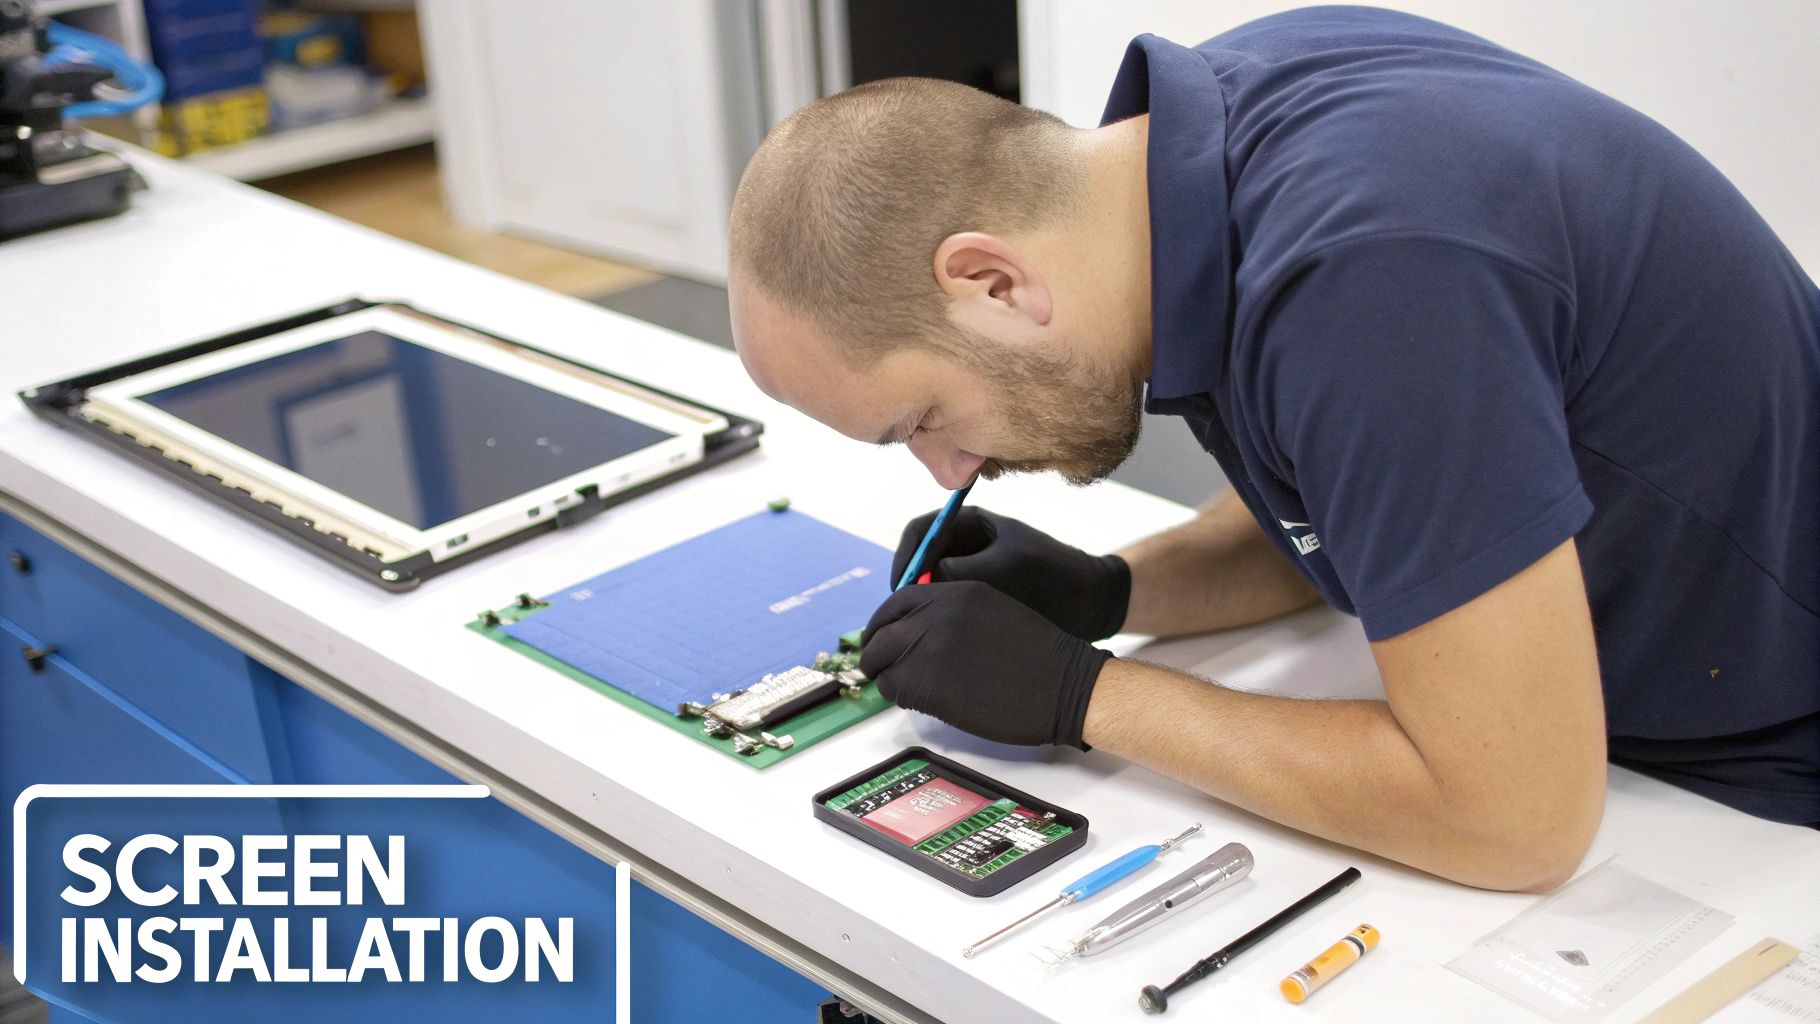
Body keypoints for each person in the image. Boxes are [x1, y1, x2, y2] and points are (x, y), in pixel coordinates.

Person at [726, 6, 1820, 891]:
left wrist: (1084, 696)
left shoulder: (1364, 282)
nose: (950, 472)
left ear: (993, 283)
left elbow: (1513, 820)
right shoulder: (1223, 128)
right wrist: (1110, 589)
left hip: (1764, 764)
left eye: (921, 420)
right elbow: (1369, 506)